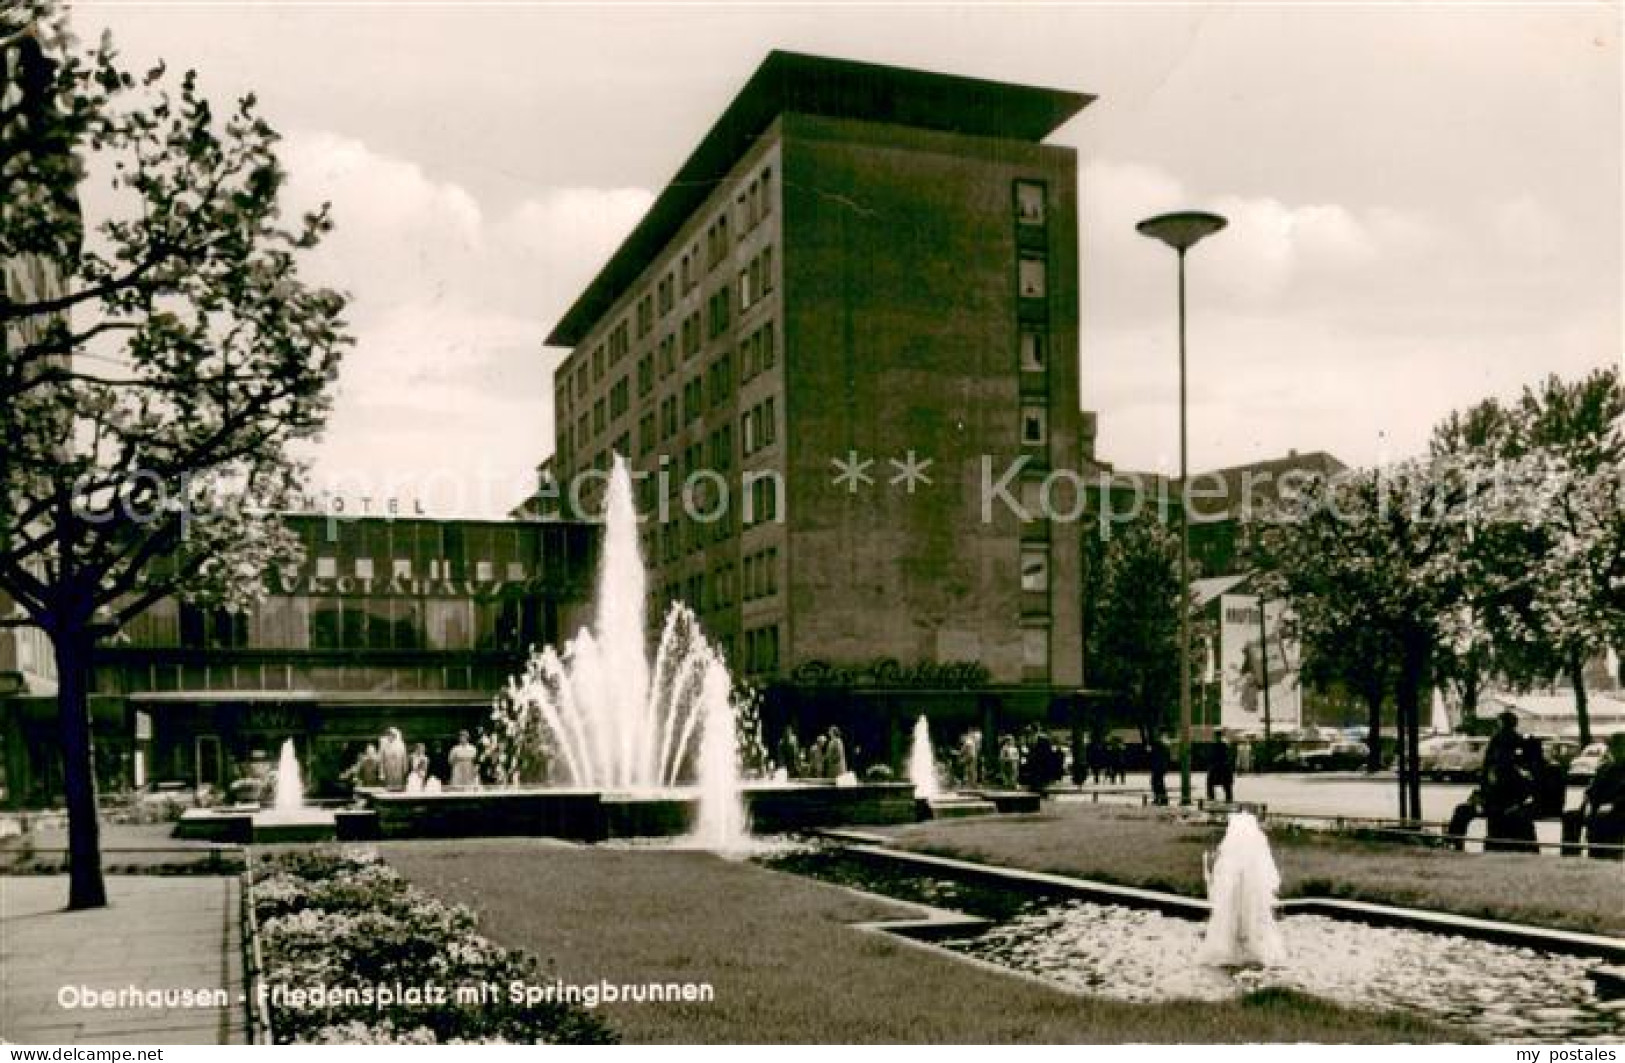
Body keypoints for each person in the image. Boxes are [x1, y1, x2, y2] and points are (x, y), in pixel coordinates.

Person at [1581, 733, 1625, 861]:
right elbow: (1592, 790)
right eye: (1614, 747)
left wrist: (1614, 804)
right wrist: (1588, 802)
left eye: (1621, 747)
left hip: (1617, 815)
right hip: (1597, 816)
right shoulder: (1604, 768)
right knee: (1594, 853)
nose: (1617, 751)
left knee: (1611, 853)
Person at [1206, 730, 1235, 804]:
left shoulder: (1219, 745)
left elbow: (1210, 756)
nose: (1217, 738)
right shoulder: (1224, 745)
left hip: (1220, 767)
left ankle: (1213, 798)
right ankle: (1226, 798)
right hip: (1221, 767)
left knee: (1212, 783)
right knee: (1223, 784)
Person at [1149, 732, 1170, 806]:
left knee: (1156, 782)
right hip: (1161, 767)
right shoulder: (1164, 745)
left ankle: (1160, 798)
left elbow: (1155, 757)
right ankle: (1161, 798)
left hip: (1158, 767)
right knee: (1159, 783)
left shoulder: (1158, 745)